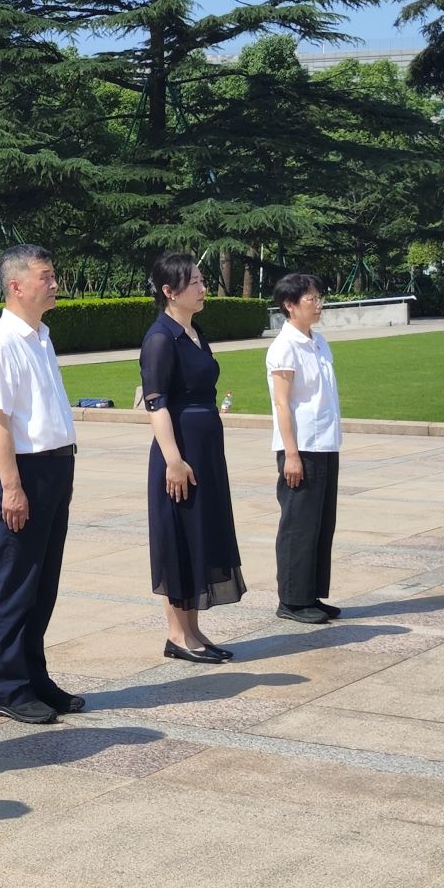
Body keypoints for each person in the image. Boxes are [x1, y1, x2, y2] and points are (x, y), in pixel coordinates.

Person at [0, 244, 81, 724]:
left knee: (42, 583)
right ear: (16, 285)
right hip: (21, 471)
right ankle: (10, 688)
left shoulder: (41, 337)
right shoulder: (0, 342)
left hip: (54, 468)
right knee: (15, 585)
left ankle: (35, 677)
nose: (54, 284)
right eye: (46, 276)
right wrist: (12, 488)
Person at [141, 251, 244, 664]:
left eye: (202, 280)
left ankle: (194, 630)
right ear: (170, 291)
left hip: (205, 452)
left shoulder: (194, 332)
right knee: (178, 539)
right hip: (179, 453)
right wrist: (174, 460)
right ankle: (177, 636)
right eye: (195, 282)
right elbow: (156, 404)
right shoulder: (161, 338)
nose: (203, 288)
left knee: (199, 535)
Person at [266, 273, 342, 627]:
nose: (318, 304)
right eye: (311, 299)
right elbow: (282, 404)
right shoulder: (284, 347)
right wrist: (291, 455)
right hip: (301, 447)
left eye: (318, 297)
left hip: (325, 443)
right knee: (298, 525)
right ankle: (292, 600)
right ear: (290, 305)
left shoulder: (318, 341)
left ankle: (311, 594)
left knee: (321, 523)